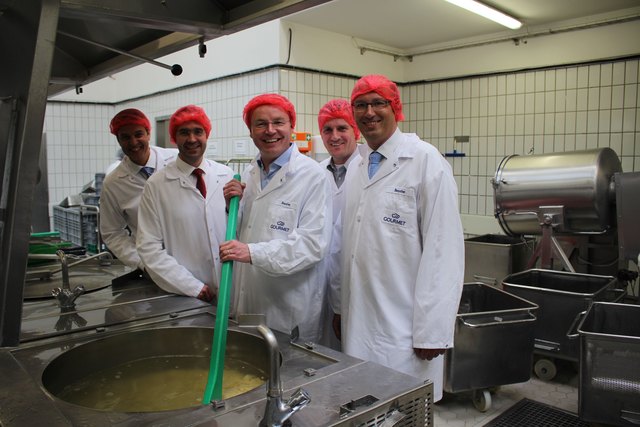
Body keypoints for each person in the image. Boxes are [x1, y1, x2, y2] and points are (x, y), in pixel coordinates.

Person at [337, 75, 464, 402]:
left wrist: (433, 331)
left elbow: (443, 252)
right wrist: (339, 306)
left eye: (379, 103)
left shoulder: (425, 161)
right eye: (361, 105)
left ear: (396, 109)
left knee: (404, 410)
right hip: (359, 319)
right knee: (365, 406)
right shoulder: (357, 166)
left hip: (406, 328)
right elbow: (346, 247)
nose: (370, 112)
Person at [220, 94, 332, 342]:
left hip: (289, 308)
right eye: (260, 124)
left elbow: (312, 245)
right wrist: (232, 209)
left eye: (278, 122)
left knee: (289, 375)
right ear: (250, 131)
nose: (270, 131)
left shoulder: (313, 176)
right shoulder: (249, 174)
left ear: (292, 127)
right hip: (250, 302)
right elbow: (248, 232)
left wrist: (251, 253)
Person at [137, 105, 234, 302]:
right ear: (174, 138)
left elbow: (240, 230)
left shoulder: (227, 175)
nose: (192, 139)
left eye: (198, 131)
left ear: (207, 135)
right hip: (188, 295)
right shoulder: (156, 185)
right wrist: (194, 287)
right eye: (184, 133)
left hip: (231, 288)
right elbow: (149, 247)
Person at [100, 108, 177, 271]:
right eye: (125, 137)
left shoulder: (176, 160)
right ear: (118, 140)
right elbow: (112, 232)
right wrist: (141, 262)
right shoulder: (113, 183)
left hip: (191, 256)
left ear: (148, 133)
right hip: (151, 265)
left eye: (138, 134)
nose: (133, 142)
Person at [317, 99, 361, 349]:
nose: (335, 136)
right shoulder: (315, 172)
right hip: (319, 283)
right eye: (327, 130)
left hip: (357, 284)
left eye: (342, 128)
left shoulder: (370, 168)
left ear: (355, 130)